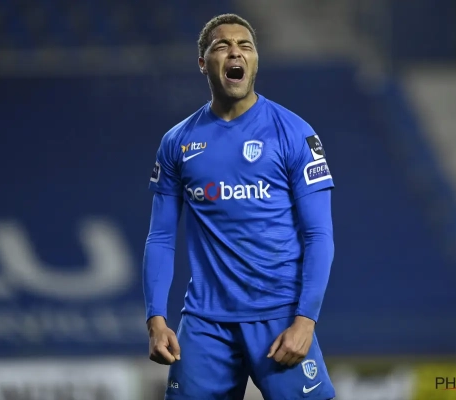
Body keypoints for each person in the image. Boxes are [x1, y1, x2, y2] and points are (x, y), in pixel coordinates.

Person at [142, 13, 336, 400]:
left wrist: (305, 320)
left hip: (279, 316)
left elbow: (319, 234)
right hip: (205, 322)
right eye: (222, 46)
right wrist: (156, 319)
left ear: (255, 61)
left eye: (245, 45)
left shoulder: (295, 133)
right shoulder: (177, 142)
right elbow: (160, 237)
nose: (235, 52)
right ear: (203, 63)